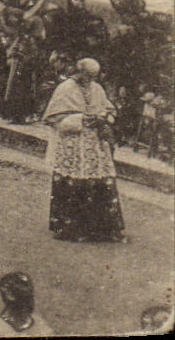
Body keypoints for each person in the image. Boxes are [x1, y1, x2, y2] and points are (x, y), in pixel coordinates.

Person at [41, 58, 126, 242]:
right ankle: (71, 227)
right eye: (87, 75)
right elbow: (54, 117)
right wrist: (81, 118)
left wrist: (103, 117)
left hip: (95, 143)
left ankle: (101, 228)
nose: (90, 79)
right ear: (79, 72)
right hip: (73, 143)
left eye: (93, 76)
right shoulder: (65, 88)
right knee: (73, 178)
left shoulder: (97, 89)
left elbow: (109, 109)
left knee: (100, 179)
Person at [0, 272, 52, 337]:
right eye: (23, 296)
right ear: (9, 295)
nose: (30, 301)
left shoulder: (42, 327)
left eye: (29, 295)